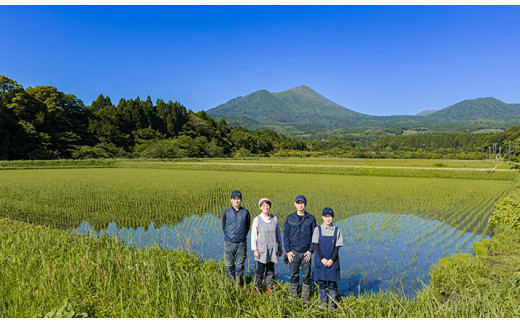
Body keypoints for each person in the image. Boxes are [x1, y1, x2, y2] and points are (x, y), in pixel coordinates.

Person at [283, 194, 317, 305]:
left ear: (305, 204)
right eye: (298, 203)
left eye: (302, 203)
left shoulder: (311, 218)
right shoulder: (290, 218)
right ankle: (293, 297)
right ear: (295, 204)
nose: (300, 205)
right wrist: (287, 252)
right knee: (294, 274)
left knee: (306, 275)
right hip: (293, 252)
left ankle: (305, 298)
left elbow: (315, 236)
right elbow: (286, 236)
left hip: (306, 253)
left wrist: (311, 251)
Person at [312, 207, 343, 310]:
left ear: (332, 218)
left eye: (329, 217)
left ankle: (333, 303)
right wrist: (322, 259)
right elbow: (316, 246)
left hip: (332, 261)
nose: (328, 219)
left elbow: (337, 247)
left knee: (332, 283)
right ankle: (324, 302)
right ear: (322, 217)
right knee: (322, 282)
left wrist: (332, 260)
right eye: (326, 217)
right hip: (321, 261)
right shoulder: (317, 229)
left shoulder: (337, 230)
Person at [251, 198, 283, 295]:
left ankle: (269, 287)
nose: (266, 207)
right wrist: (255, 249)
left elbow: (278, 234)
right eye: (263, 205)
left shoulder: (274, 219)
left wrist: (280, 247)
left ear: (269, 206)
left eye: (267, 205)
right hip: (262, 249)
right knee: (260, 270)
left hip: (273, 249)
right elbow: (253, 236)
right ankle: (258, 288)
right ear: (260, 207)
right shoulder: (257, 219)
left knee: (270, 269)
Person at [222, 190, 251, 286]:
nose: (236, 201)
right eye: (234, 199)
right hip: (228, 242)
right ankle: (230, 284)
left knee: (239, 265)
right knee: (229, 264)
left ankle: (239, 285)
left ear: (241, 200)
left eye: (238, 199)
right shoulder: (227, 212)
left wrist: (241, 235)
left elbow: (247, 227)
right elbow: (224, 227)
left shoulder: (245, 212)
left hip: (241, 243)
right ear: (231, 200)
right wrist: (229, 236)